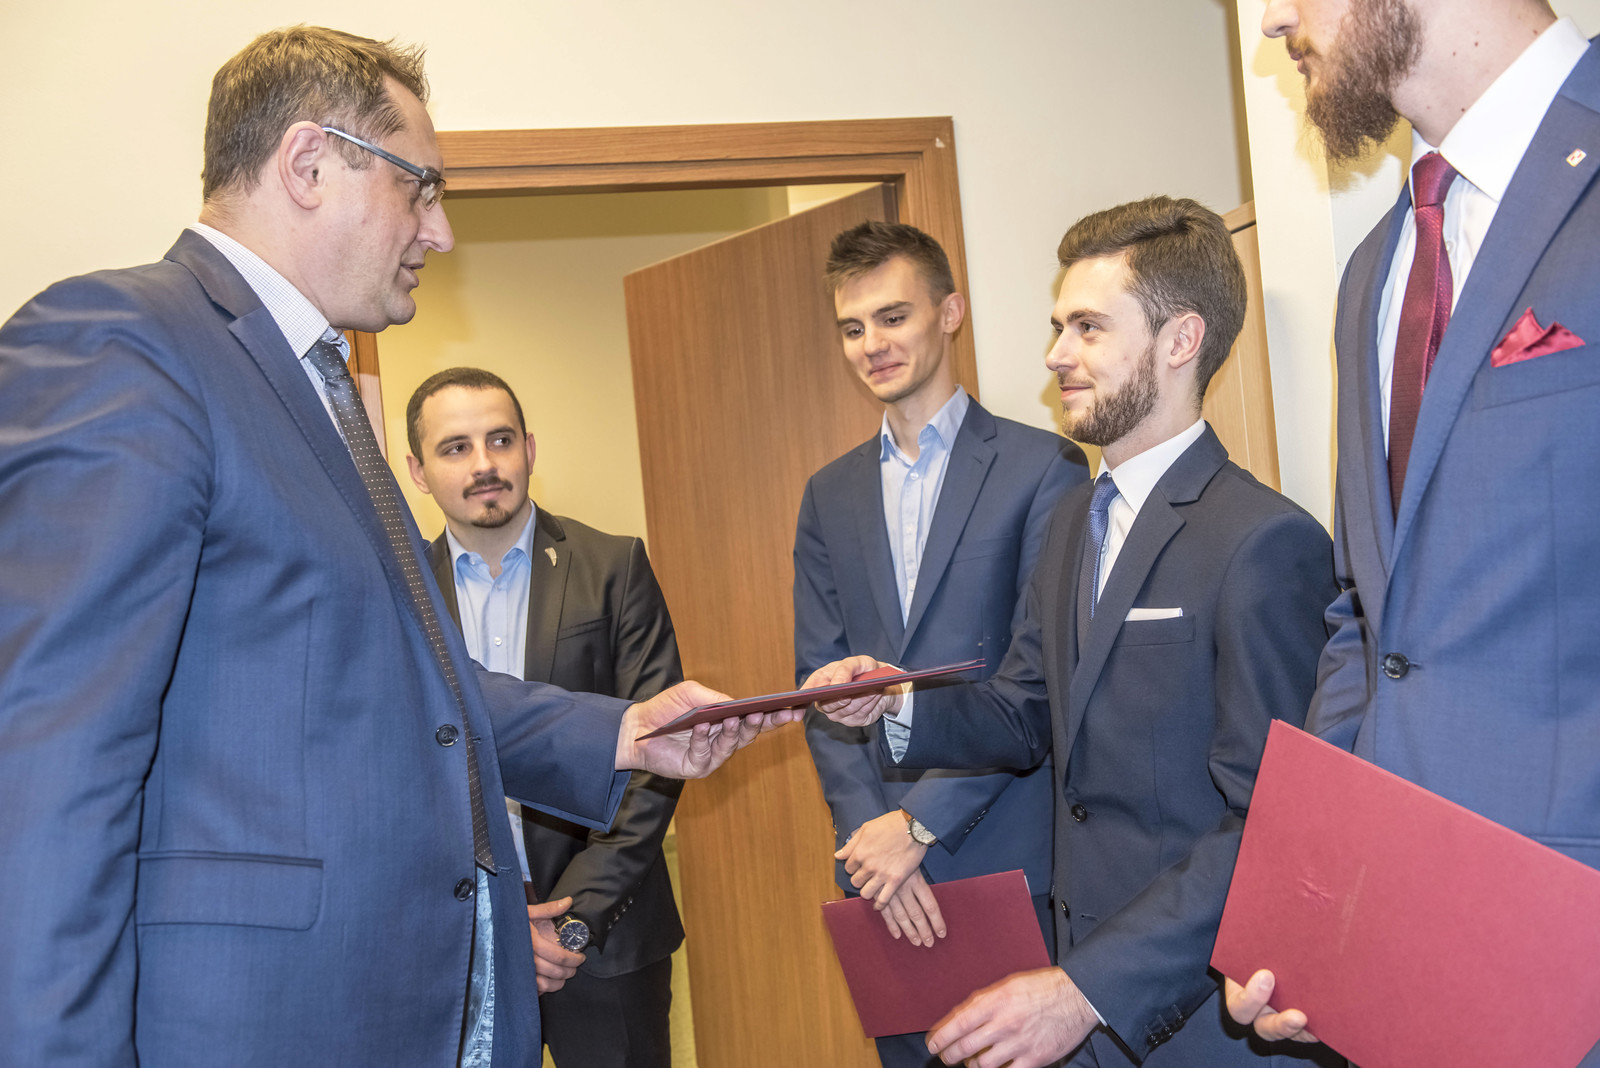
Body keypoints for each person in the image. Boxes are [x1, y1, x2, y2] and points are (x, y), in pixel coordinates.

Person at [0, 26, 787, 1067]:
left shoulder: (316, 383)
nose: (441, 231)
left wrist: (626, 732)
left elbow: (406, 678)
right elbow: (51, 761)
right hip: (254, 1022)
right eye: (421, 188)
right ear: (309, 164)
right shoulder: (127, 341)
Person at [811, 197, 1340, 1068]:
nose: (1056, 355)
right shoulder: (1072, 524)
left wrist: (1088, 988)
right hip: (1077, 990)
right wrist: (895, 703)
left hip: (1195, 1018)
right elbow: (1025, 711)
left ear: (1180, 341)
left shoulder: (1263, 542)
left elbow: (1271, 827)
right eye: (1059, 327)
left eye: (1088, 328)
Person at [1229, 2, 1600, 1055]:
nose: (1272, 22)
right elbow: (1371, 620)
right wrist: (1307, 910)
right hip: (1414, 969)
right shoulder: (1374, 273)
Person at [794, 221, 1084, 1066]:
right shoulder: (828, 495)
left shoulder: (1045, 468)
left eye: (894, 317)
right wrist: (873, 844)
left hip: (1003, 856)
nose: (872, 345)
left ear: (950, 312)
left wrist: (918, 826)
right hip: (882, 887)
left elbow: (1038, 682)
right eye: (853, 328)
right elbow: (820, 690)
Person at [407, 367, 684, 1068]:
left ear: (529, 448)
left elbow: (657, 755)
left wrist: (575, 919)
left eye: (500, 440)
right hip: (464, 943)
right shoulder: (399, 596)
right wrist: (491, 925)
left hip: (606, 938)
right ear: (417, 471)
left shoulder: (614, 566)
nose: (484, 464)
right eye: (455, 448)